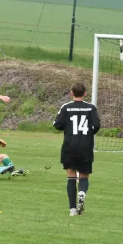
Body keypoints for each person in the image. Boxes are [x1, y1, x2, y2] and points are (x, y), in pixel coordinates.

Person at [53, 82, 101, 216]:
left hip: (69, 146)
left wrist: (67, 128)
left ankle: (72, 210)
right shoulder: (91, 108)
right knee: (84, 176)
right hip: (85, 146)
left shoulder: (66, 107)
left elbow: (57, 125)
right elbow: (96, 126)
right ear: (85, 93)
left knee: (71, 177)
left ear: (71, 93)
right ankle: (82, 193)